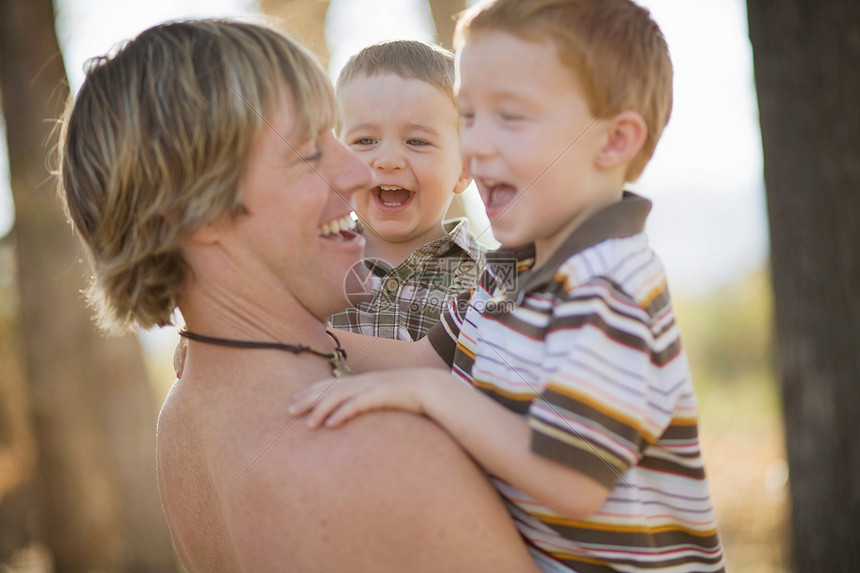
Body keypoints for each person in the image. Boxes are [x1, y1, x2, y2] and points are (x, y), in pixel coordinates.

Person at [56, 19, 541, 572]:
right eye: (310, 151)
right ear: (200, 213)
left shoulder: (181, 420)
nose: (360, 171)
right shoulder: (397, 453)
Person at [290, 1, 726, 571]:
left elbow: (574, 481)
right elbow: (422, 361)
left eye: (510, 117)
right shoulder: (506, 274)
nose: (475, 146)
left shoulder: (609, 287)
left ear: (614, 141)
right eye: (468, 117)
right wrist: (283, 337)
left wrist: (437, 398)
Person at [329, 40, 485, 341]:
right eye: (364, 141)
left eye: (416, 141)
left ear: (464, 169)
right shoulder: (310, 260)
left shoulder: (490, 278)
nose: (388, 161)